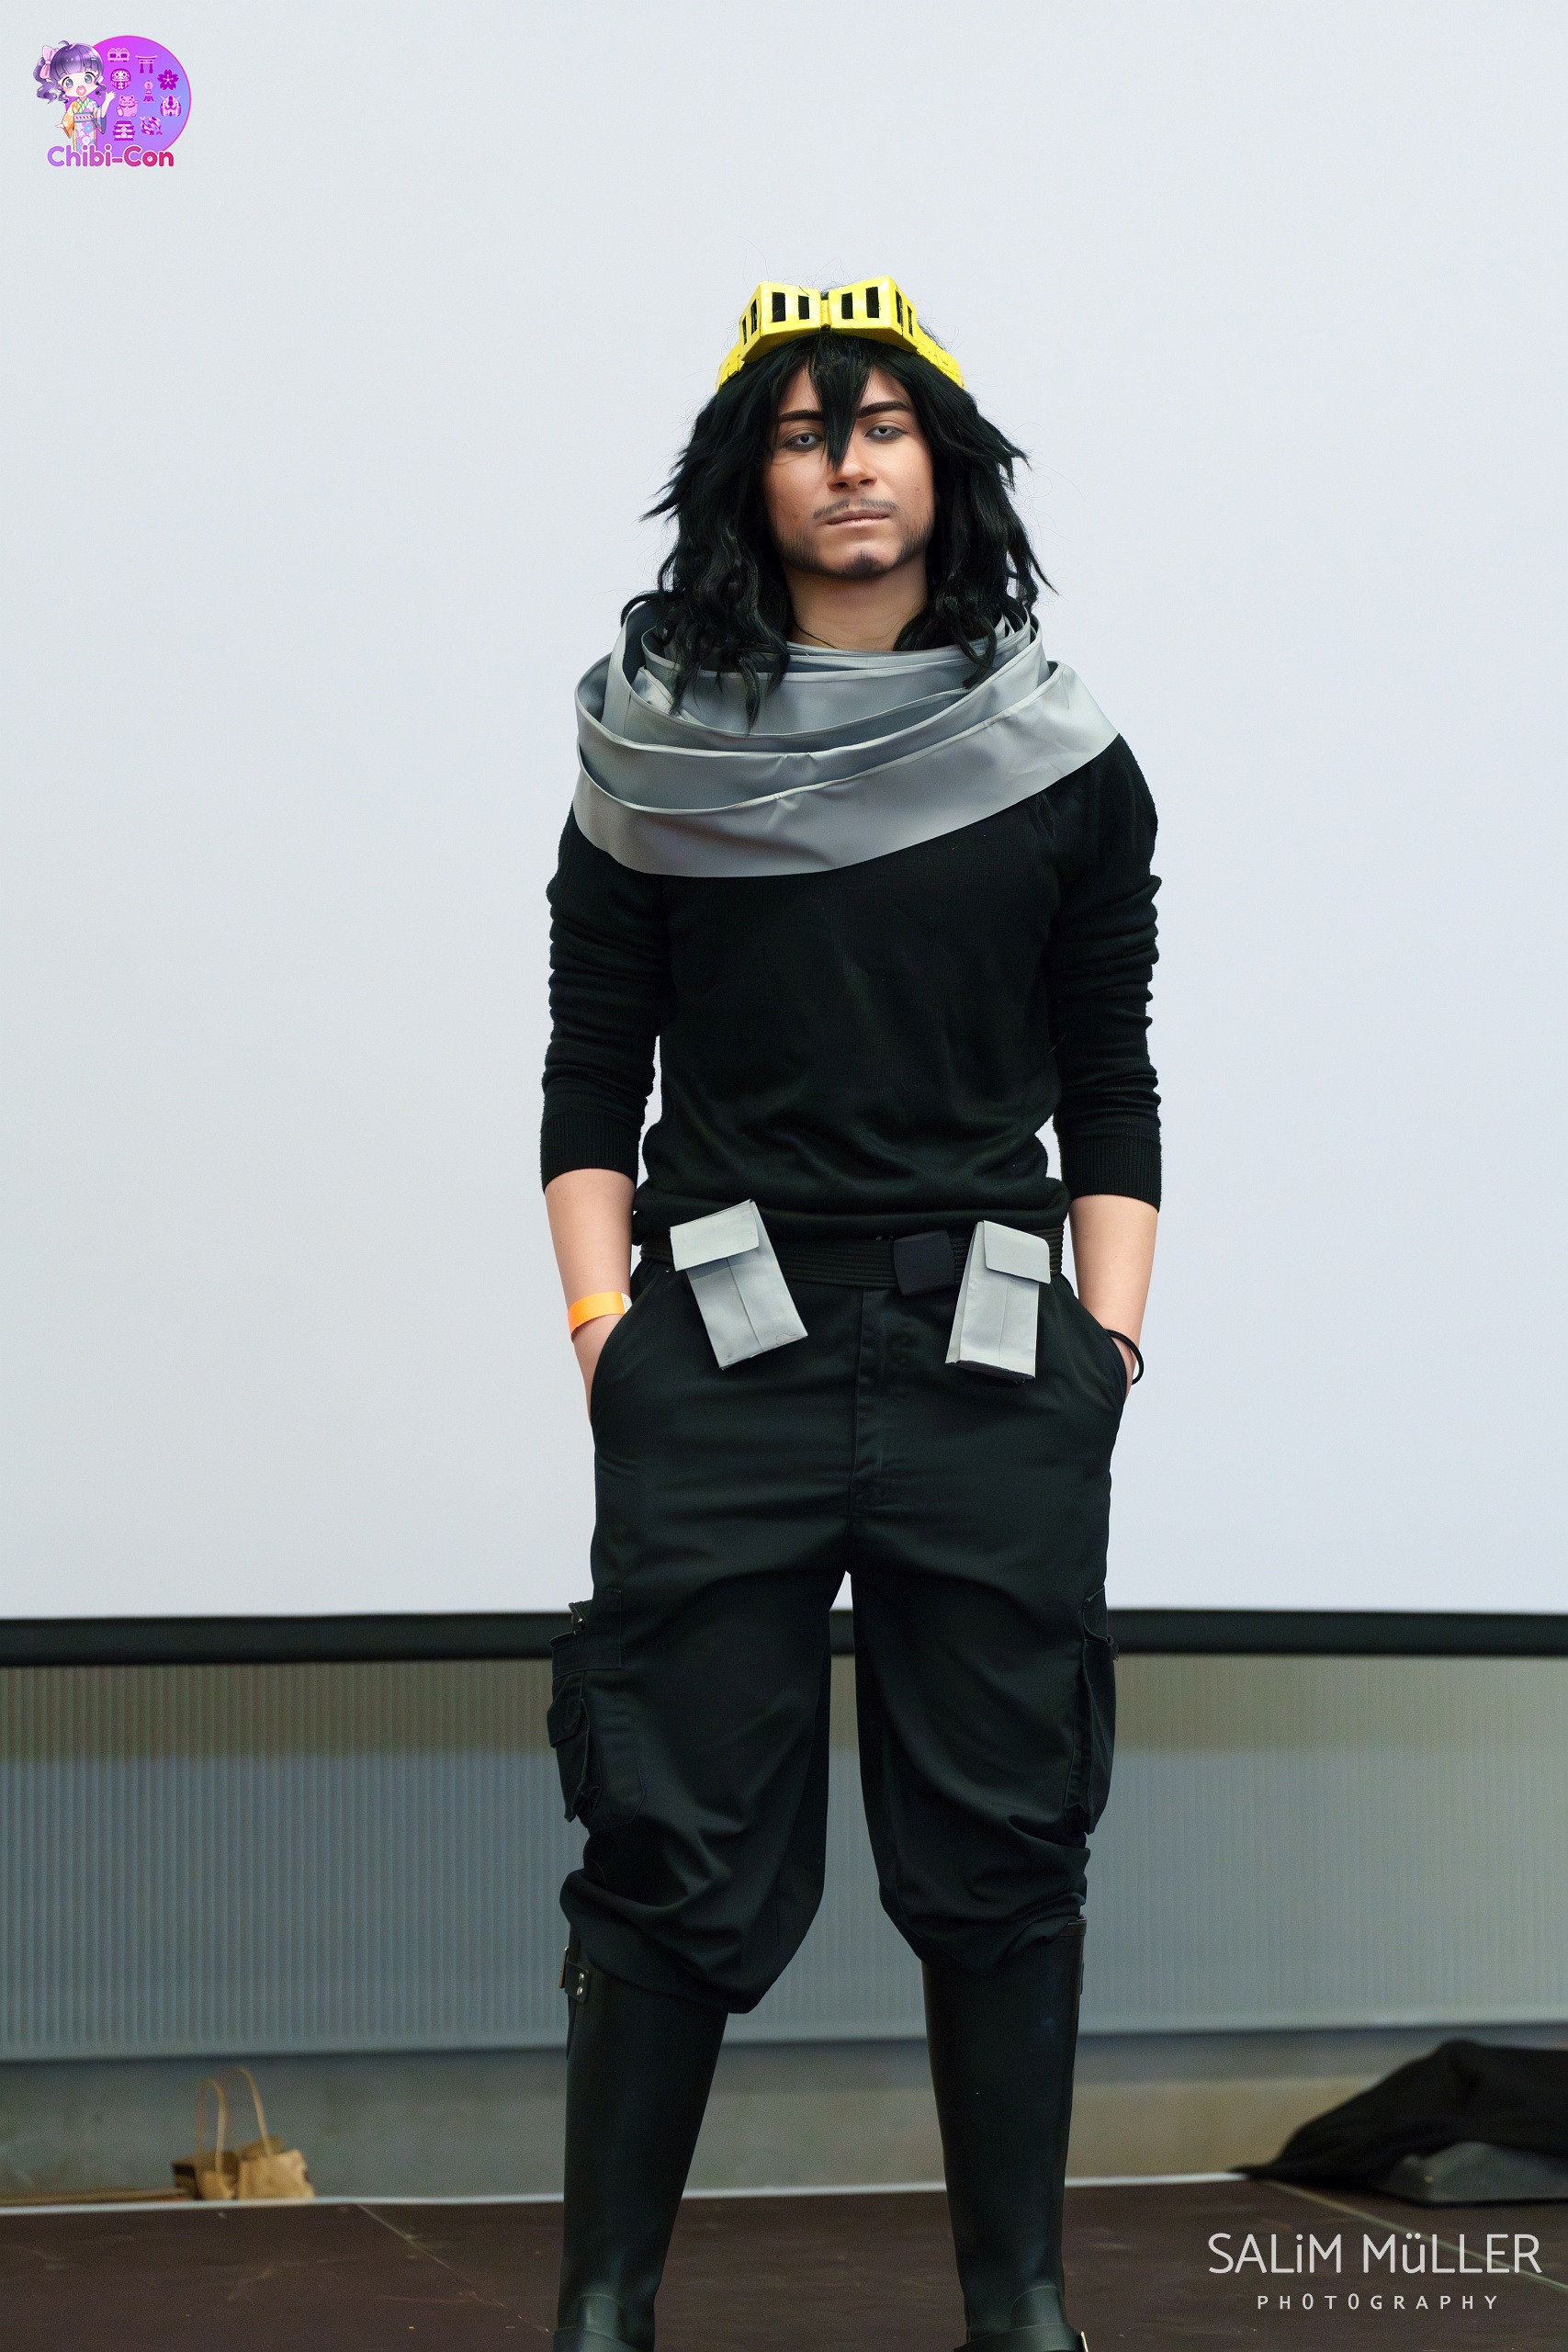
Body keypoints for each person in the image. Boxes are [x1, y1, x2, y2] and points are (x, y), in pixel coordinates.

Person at [540, 277, 1160, 2352]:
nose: (849, 465)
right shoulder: (646, 756)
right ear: (751, 481)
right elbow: (589, 1075)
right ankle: (602, 2312)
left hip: (993, 1359)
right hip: (721, 1360)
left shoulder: (1067, 759)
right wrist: (605, 1337)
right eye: (805, 434)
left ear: (944, 463)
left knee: (1005, 1839)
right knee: (667, 1832)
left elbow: (1112, 1079)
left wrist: (1106, 1356)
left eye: (882, 424)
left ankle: (1023, 2310)